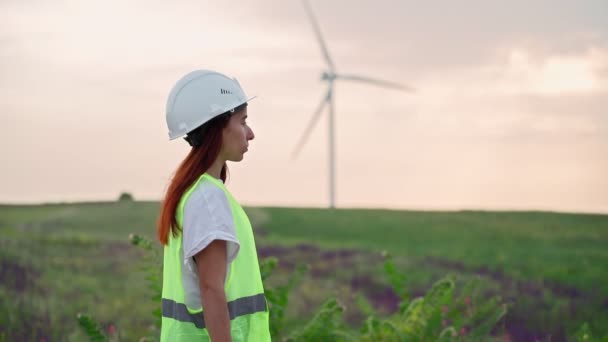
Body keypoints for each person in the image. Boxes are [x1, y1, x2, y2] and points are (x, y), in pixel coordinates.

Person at [157, 70, 271, 341]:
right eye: (242, 121)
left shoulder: (197, 193)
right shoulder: (208, 199)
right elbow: (211, 289)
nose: (251, 133)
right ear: (217, 126)